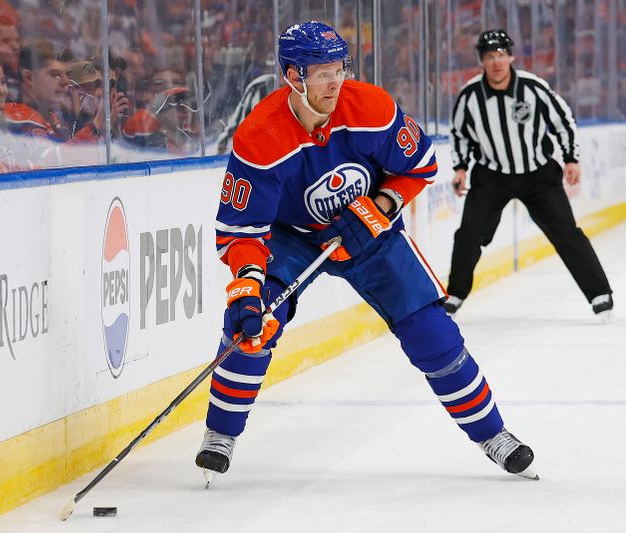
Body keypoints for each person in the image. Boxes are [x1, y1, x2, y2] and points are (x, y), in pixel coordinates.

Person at [195, 21, 537, 483]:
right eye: (321, 72)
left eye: (339, 67)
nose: (335, 80)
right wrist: (248, 284)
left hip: (369, 232)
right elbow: (242, 231)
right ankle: (220, 435)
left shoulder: (371, 108)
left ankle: (493, 434)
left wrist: (380, 204)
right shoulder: (259, 137)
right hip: (291, 237)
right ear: (292, 76)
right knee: (254, 320)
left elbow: (420, 167)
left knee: (431, 328)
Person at [444, 29, 613, 322]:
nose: (496, 62)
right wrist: (460, 167)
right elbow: (460, 134)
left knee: (566, 233)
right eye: (489, 56)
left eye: (501, 55)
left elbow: (563, 122)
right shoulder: (470, 95)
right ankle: (455, 295)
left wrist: (571, 159)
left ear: (510, 56)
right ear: (481, 61)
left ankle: (600, 294)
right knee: (469, 234)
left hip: (538, 175)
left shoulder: (533, 88)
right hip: (492, 175)